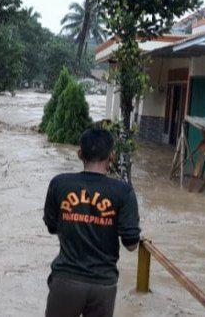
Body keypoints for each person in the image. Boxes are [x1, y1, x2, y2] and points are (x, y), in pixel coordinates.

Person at [43, 127, 141, 317]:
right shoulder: (123, 191)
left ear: (80, 154)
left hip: (66, 280)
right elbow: (131, 244)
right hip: (103, 285)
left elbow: (52, 226)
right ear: (112, 155)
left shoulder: (60, 184)